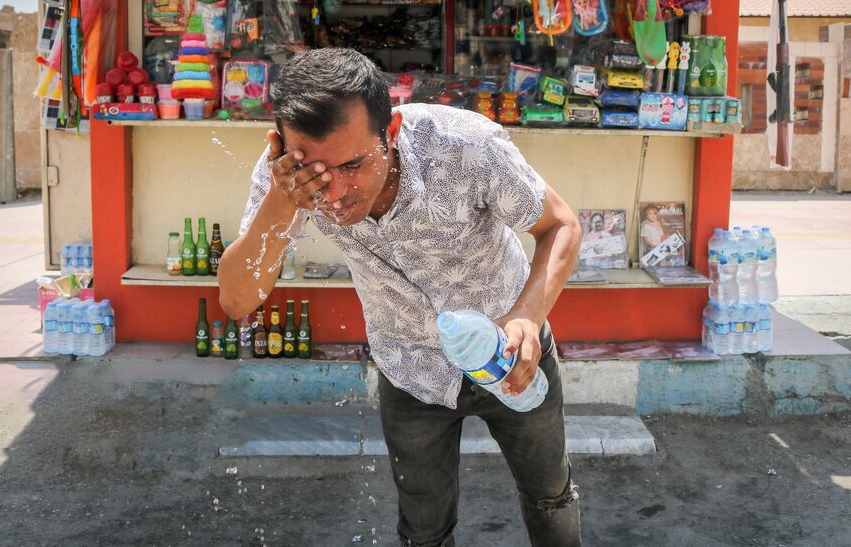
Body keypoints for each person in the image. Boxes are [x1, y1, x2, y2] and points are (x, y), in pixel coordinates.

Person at [219, 49, 582, 546]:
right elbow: (239, 300)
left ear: (389, 133)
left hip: (511, 350)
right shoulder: (287, 179)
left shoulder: (462, 145)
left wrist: (526, 317)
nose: (335, 193)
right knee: (423, 529)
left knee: (549, 495)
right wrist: (283, 200)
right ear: (283, 147)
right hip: (410, 369)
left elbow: (560, 225)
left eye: (352, 165)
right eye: (317, 173)